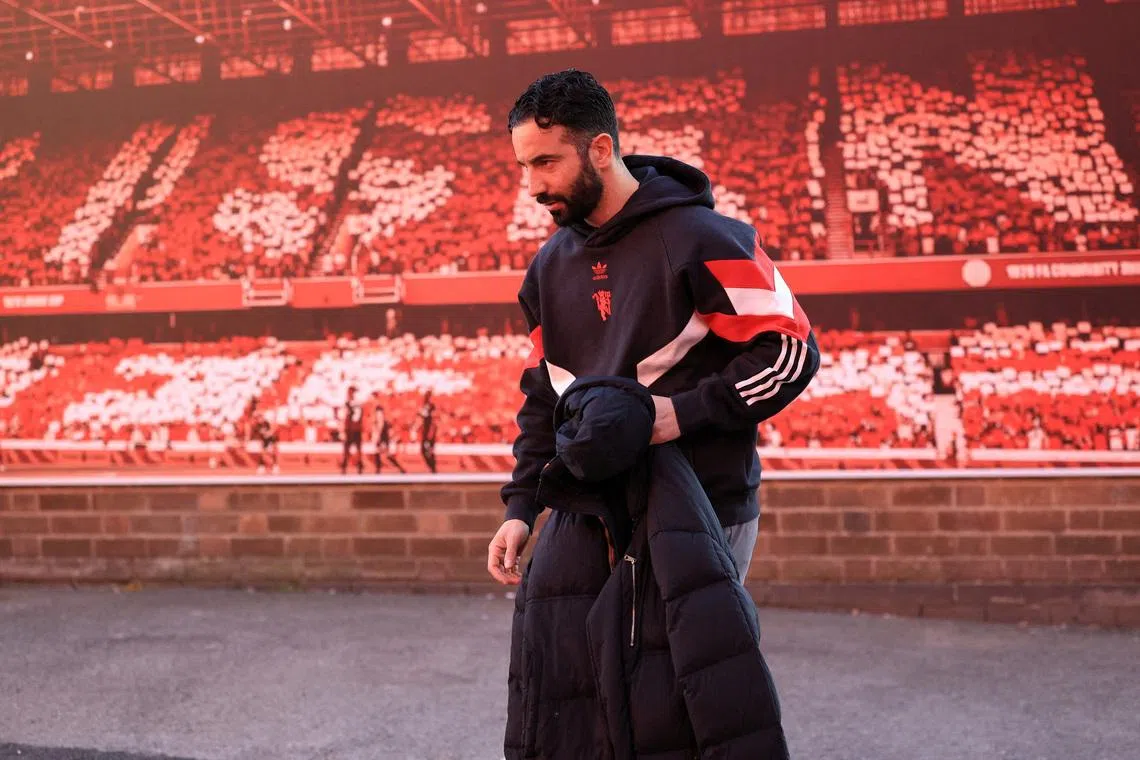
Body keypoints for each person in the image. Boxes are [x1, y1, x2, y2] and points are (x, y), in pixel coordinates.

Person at [487, 69, 820, 589]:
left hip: (703, 505)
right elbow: (544, 397)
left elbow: (791, 352)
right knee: (585, 670)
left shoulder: (704, 238)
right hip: (594, 513)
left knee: (693, 670)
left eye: (547, 162)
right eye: (524, 166)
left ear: (600, 150)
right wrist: (522, 505)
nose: (533, 186)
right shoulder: (546, 268)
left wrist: (681, 414)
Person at [371, 398, 405, 474]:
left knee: (387, 456)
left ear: (383, 414)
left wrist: (393, 439)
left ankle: (401, 469)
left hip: (386, 442)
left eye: (380, 414)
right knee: (378, 454)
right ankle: (378, 471)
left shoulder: (386, 423)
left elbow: (390, 433)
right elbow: (374, 434)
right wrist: (375, 439)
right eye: (377, 414)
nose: (379, 416)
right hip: (379, 442)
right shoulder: (375, 423)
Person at [340, 385, 364, 474]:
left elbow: (347, 417)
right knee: (355, 449)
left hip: (352, 429)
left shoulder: (350, 404)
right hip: (354, 428)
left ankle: (346, 467)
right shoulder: (355, 404)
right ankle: (358, 466)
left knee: (349, 449)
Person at [418, 390, 437, 474]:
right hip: (426, 433)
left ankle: (433, 468)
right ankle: (432, 468)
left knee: (427, 451)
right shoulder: (427, 407)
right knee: (425, 451)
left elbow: (431, 421)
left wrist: (430, 435)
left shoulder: (429, 407)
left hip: (429, 434)